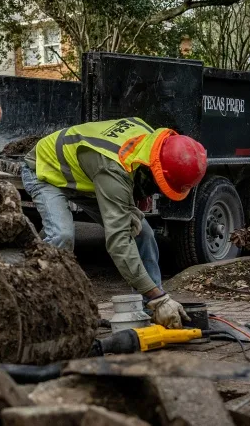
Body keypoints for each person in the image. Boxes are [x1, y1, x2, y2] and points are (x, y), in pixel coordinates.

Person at [20, 118, 207, 329]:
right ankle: (38, 309)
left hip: (86, 174)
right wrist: (159, 296)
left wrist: (133, 201)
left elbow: (128, 176)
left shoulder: (149, 139)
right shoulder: (112, 168)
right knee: (62, 235)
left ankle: (152, 306)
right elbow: (118, 241)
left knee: (143, 233)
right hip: (44, 169)